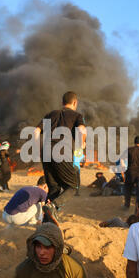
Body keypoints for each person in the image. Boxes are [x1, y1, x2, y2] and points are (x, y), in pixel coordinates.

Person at [33, 92, 87, 221]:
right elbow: (81, 130)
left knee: (54, 189)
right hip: (61, 153)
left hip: (45, 153)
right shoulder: (77, 116)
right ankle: (53, 206)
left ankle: (47, 221)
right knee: (73, 187)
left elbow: (36, 131)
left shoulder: (51, 114)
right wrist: (82, 145)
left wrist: (37, 150)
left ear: (62, 102)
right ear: (75, 103)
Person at [8, 223, 93, 278]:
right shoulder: (24, 270)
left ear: (57, 248)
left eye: (47, 247)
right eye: (38, 246)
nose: (41, 253)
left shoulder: (74, 268)